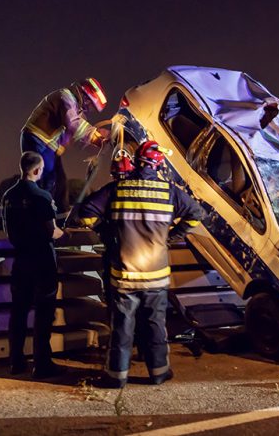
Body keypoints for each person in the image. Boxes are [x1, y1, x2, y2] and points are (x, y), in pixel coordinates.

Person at [72, 140, 205, 388]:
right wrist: (170, 238)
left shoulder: (117, 189)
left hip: (124, 274)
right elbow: (196, 215)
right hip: (156, 276)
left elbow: (86, 214)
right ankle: (159, 373)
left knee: (122, 326)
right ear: (158, 164)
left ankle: (117, 376)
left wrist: (108, 231)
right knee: (156, 325)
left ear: (137, 162)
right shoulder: (170, 191)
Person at [2, 151, 66, 378]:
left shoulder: (8, 196)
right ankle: (42, 363)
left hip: (20, 260)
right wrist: (61, 231)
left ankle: (16, 361)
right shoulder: (42, 196)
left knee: (18, 311)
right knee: (43, 312)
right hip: (42, 261)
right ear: (37, 170)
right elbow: (52, 231)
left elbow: (8, 231)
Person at [21, 78, 109, 212]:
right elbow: (74, 124)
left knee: (60, 182)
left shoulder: (74, 107)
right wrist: (95, 136)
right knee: (47, 178)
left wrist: (96, 140)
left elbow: (77, 132)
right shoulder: (65, 97)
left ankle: (60, 214)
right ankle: (41, 216)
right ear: (84, 96)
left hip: (48, 145)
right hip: (37, 139)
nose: (90, 109)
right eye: (91, 104)